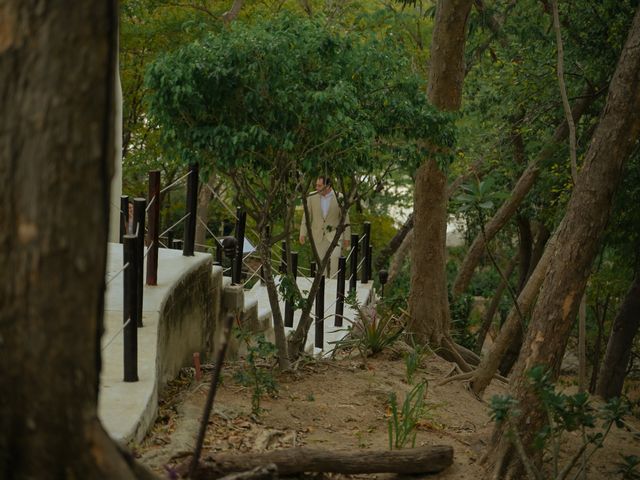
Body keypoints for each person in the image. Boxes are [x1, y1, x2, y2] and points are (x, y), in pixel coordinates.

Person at [299, 176, 350, 277]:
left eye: (319, 185)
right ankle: (322, 289)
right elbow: (306, 216)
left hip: (334, 235)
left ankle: (334, 287)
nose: (316, 187)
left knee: (335, 260)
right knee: (321, 266)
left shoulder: (339, 197)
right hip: (318, 235)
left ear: (327, 186)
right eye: (316, 185)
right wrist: (302, 233)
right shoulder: (311, 196)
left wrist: (346, 237)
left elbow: (346, 218)